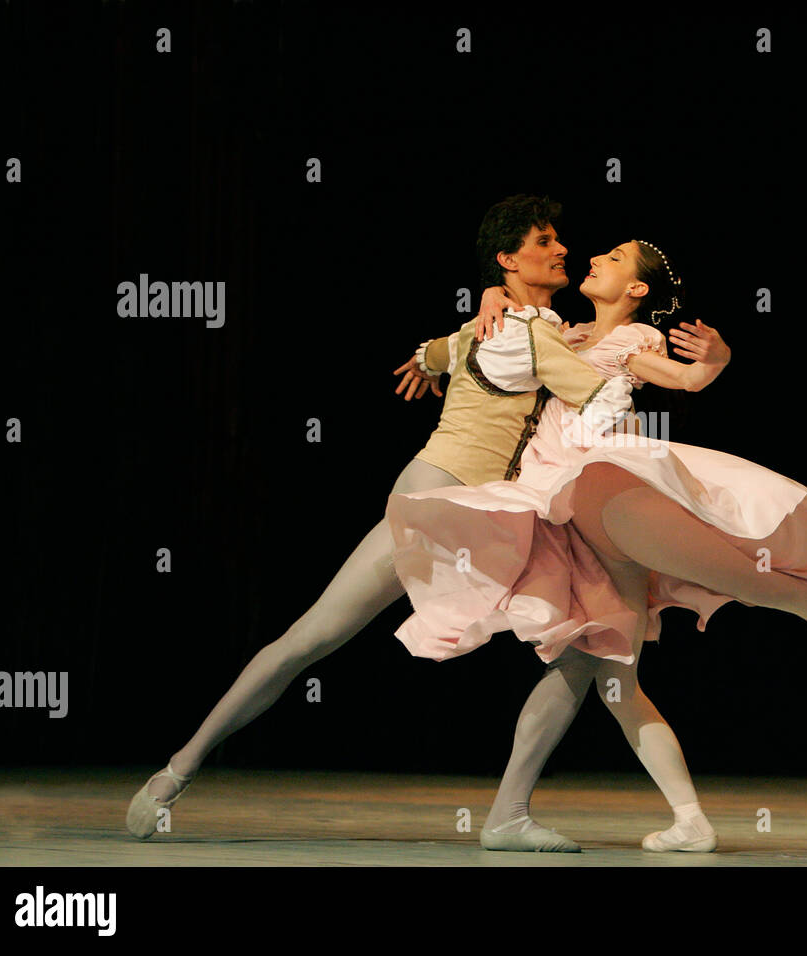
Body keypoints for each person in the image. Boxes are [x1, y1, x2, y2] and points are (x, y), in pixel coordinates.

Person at [124, 196, 720, 842]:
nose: (563, 250)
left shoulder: (491, 328)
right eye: (545, 241)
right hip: (458, 505)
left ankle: (174, 772)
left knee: (315, 638)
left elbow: (430, 355)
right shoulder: (533, 333)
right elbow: (600, 388)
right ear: (509, 257)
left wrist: (465, 326)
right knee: (574, 645)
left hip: (454, 501)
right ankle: (509, 815)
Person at [386, 238, 807, 851]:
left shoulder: (630, 343)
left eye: (614, 260)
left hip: (610, 497)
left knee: (766, 587)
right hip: (571, 521)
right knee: (615, 677)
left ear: (638, 289)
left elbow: (688, 377)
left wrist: (715, 361)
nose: (593, 259)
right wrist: (487, 297)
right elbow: (491, 333)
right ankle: (688, 820)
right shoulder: (560, 334)